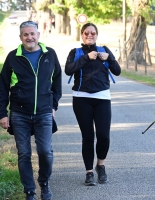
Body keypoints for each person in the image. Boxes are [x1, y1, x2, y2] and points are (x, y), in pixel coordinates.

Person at [0, 21, 62, 200]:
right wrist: (2, 113)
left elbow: (57, 81)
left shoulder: (50, 54)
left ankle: (44, 183)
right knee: (24, 153)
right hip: (19, 113)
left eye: (32, 34)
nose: (29, 37)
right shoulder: (13, 57)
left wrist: (53, 105)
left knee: (45, 152)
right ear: (20, 37)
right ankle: (30, 191)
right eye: (25, 35)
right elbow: (3, 86)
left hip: (43, 112)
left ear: (38, 35)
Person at [65, 23, 121, 186]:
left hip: (102, 97)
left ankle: (100, 166)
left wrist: (109, 58)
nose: (89, 35)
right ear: (81, 35)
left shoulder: (104, 50)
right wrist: (85, 58)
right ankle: (89, 172)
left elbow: (117, 71)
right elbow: (68, 70)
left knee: (104, 136)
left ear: (97, 35)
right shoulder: (75, 52)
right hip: (81, 98)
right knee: (88, 136)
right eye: (86, 33)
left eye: (93, 33)